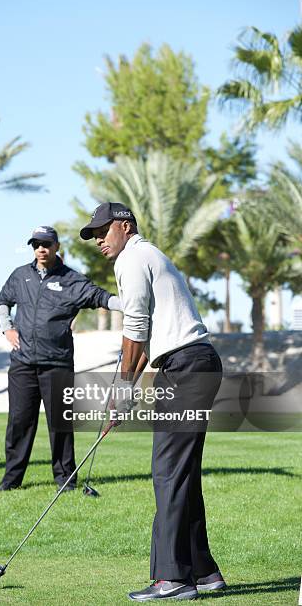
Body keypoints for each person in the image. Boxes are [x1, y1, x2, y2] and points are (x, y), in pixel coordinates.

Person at [80, 203, 226, 601]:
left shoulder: (131, 258)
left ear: (124, 227)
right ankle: (203, 571)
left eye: (102, 232)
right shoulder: (147, 255)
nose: (97, 241)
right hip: (193, 362)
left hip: (187, 366)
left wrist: (124, 390)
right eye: (93, 235)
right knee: (182, 472)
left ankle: (172, 578)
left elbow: (136, 330)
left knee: (167, 471)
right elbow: (144, 341)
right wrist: (125, 395)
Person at [0, 225, 121, 493]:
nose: (41, 248)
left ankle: (65, 480)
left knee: (60, 423)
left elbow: (99, 297)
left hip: (58, 364)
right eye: (36, 244)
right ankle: (11, 480)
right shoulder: (20, 276)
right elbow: (3, 300)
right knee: (19, 422)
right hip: (23, 363)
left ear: (56, 247)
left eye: (46, 244)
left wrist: (129, 304)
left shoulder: (71, 280)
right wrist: (7, 327)